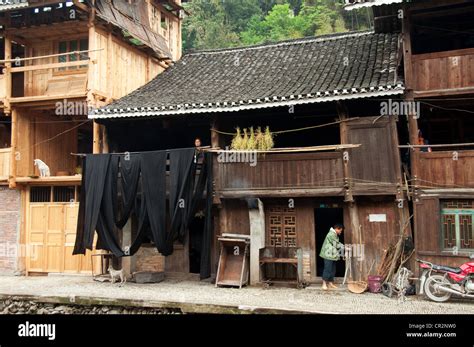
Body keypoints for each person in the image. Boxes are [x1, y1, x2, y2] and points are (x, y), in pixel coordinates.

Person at [319, 223, 344, 290]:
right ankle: (324, 284)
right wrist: (344, 247)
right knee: (327, 269)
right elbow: (336, 244)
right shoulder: (331, 234)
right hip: (328, 255)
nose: (341, 232)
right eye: (340, 230)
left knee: (332, 269)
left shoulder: (334, 234)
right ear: (336, 229)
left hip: (332, 255)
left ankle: (330, 283)